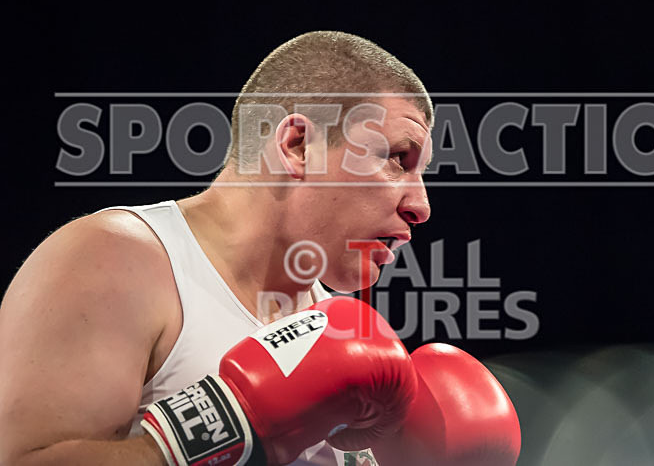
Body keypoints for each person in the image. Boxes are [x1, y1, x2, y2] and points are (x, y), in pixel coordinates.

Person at [0, 31, 433, 465]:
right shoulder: (117, 261)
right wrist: (229, 427)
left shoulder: (341, 334)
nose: (421, 206)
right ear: (300, 147)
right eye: (399, 158)